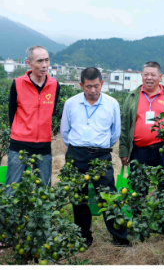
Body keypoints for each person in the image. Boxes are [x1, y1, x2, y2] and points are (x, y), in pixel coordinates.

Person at [60, 67, 128, 247]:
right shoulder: (71, 103)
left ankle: (120, 237)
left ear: (102, 84)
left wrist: (101, 147)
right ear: (81, 85)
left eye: (96, 86)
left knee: (108, 195)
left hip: (101, 155)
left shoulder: (112, 103)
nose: (93, 90)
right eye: (88, 86)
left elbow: (115, 133)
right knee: (78, 197)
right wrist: (78, 148)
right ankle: (83, 237)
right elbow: (65, 131)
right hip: (76, 155)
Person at [119, 61, 164, 242]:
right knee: (139, 187)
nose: (149, 77)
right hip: (139, 150)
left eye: (153, 74)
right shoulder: (132, 97)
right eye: (146, 74)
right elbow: (125, 126)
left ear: (160, 77)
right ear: (141, 75)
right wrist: (124, 150)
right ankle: (139, 225)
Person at [6, 45, 60, 194]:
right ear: (29, 63)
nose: (44, 65)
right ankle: (11, 218)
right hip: (19, 145)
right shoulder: (17, 84)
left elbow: (52, 111)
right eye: (40, 61)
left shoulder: (54, 85)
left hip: (43, 145)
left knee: (43, 192)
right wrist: (21, 131)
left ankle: (40, 218)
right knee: (12, 189)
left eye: (47, 60)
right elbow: (12, 112)